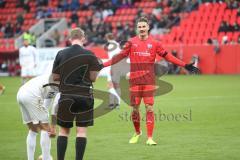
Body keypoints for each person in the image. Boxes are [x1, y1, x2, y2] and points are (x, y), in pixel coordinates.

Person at [103, 17, 199, 145]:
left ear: (148, 27)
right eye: (140, 27)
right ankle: (137, 132)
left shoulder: (155, 43)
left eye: (144, 26)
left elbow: (168, 56)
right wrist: (103, 65)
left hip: (149, 81)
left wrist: (184, 65)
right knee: (135, 109)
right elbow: (119, 57)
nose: (142, 29)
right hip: (135, 82)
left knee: (149, 108)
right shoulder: (131, 43)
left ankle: (149, 138)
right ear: (137, 29)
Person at [52, 28, 103, 160]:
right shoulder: (90, 54)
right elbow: (93, 78)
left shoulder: (60, 54)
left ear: (70, 38)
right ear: (83, 38)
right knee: (81, 131)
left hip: (66, 96)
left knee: (63, 131)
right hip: (84, 96)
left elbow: (55, 77)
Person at [16, 74, 59, 160]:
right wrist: (53, 127)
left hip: (21, 94)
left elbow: (48, 102)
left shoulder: (51, 76)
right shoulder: (59, 83)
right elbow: (55, 106)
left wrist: (44, 117)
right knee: (47, 130)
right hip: (32, 95)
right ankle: (46, 158)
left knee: (33, 130)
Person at [105, 33, 129, 109]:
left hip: (113, 66)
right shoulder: (118, 45)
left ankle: (112, 103)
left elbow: (112, 58)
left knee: (110, 85)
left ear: (107, 38)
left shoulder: (110, 46)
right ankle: (118, 103)